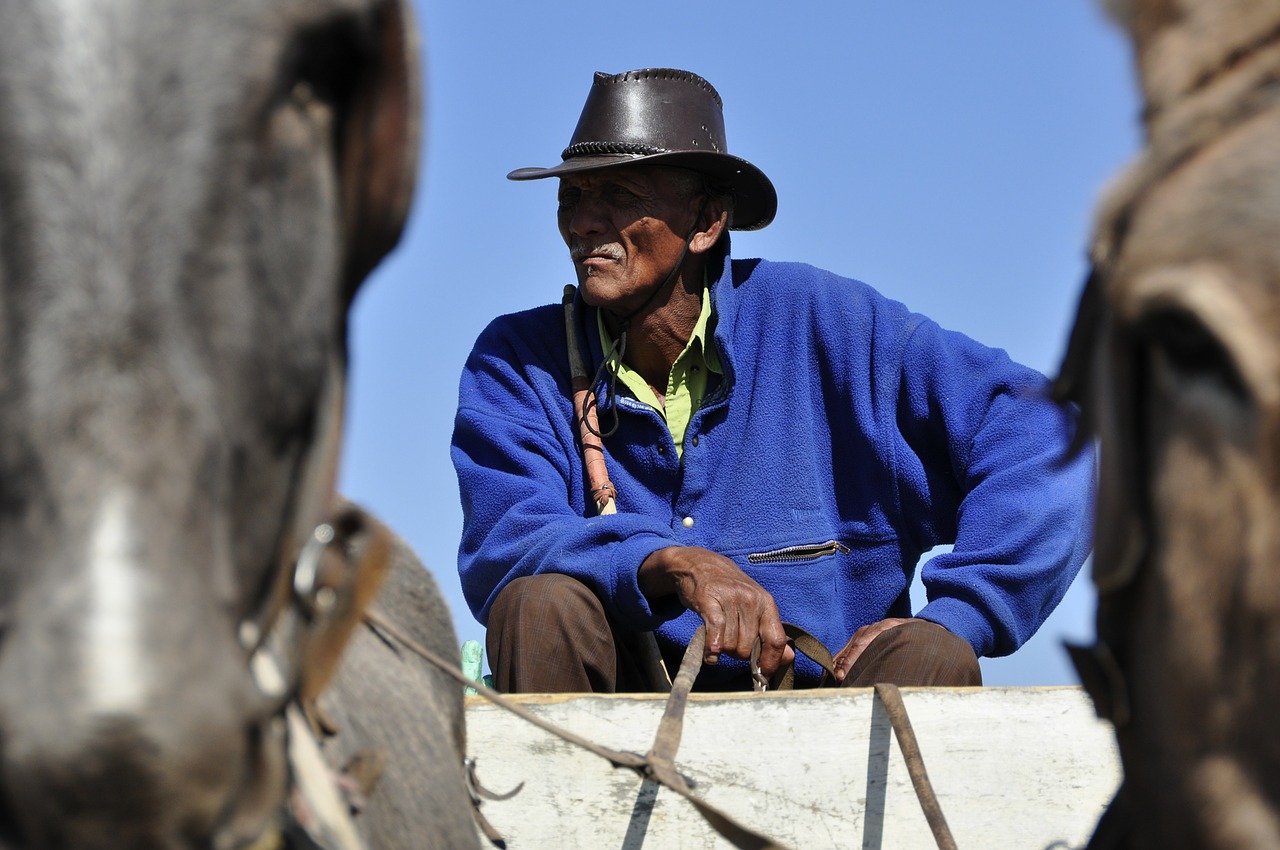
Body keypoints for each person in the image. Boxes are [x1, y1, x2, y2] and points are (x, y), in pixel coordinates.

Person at [451, 68, 1094, 693]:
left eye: (619, 195)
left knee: (934, 655)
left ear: (706, 223)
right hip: (616, 713)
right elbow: (507, 538)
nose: (583, 222)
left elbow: (1051, 435)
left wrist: (961, 613)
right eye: (571, 198)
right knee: (538, 605)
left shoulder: (827, 323)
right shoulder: (518, 360)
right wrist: (667, 560)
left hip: (828, 712)